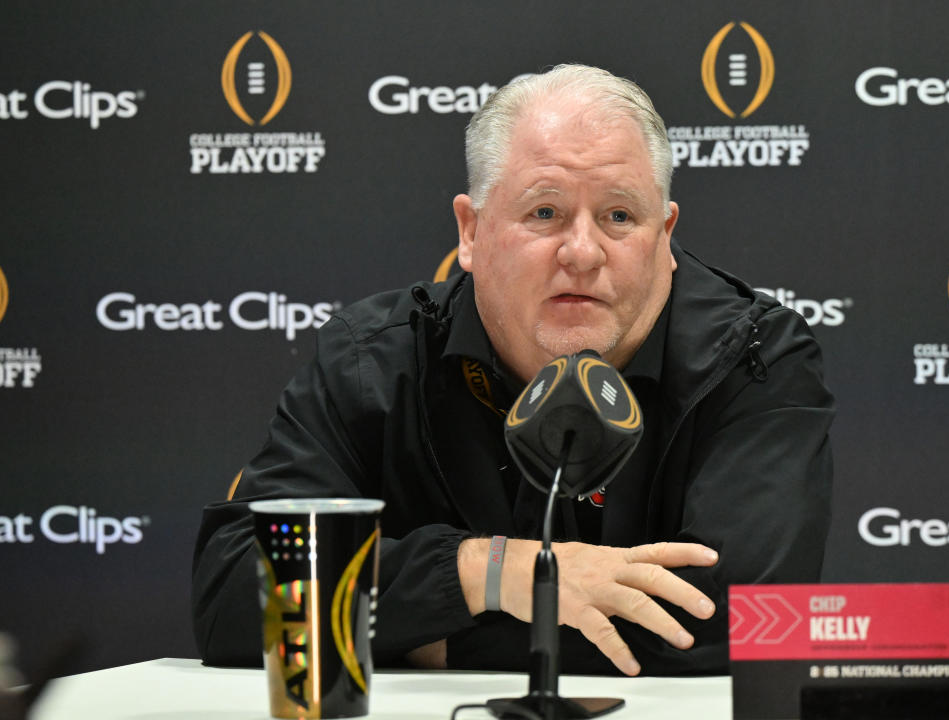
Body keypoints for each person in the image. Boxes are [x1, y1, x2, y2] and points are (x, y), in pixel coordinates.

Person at [191, 64, 834, 676]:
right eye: (544, 213)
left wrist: (427, 635)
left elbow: (751, 619)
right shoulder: (376, 361)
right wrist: (485, 571)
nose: (583, 253)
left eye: (619, 217)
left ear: (664, 237)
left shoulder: (752, 357)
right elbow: (233, 593)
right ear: (470, 232)